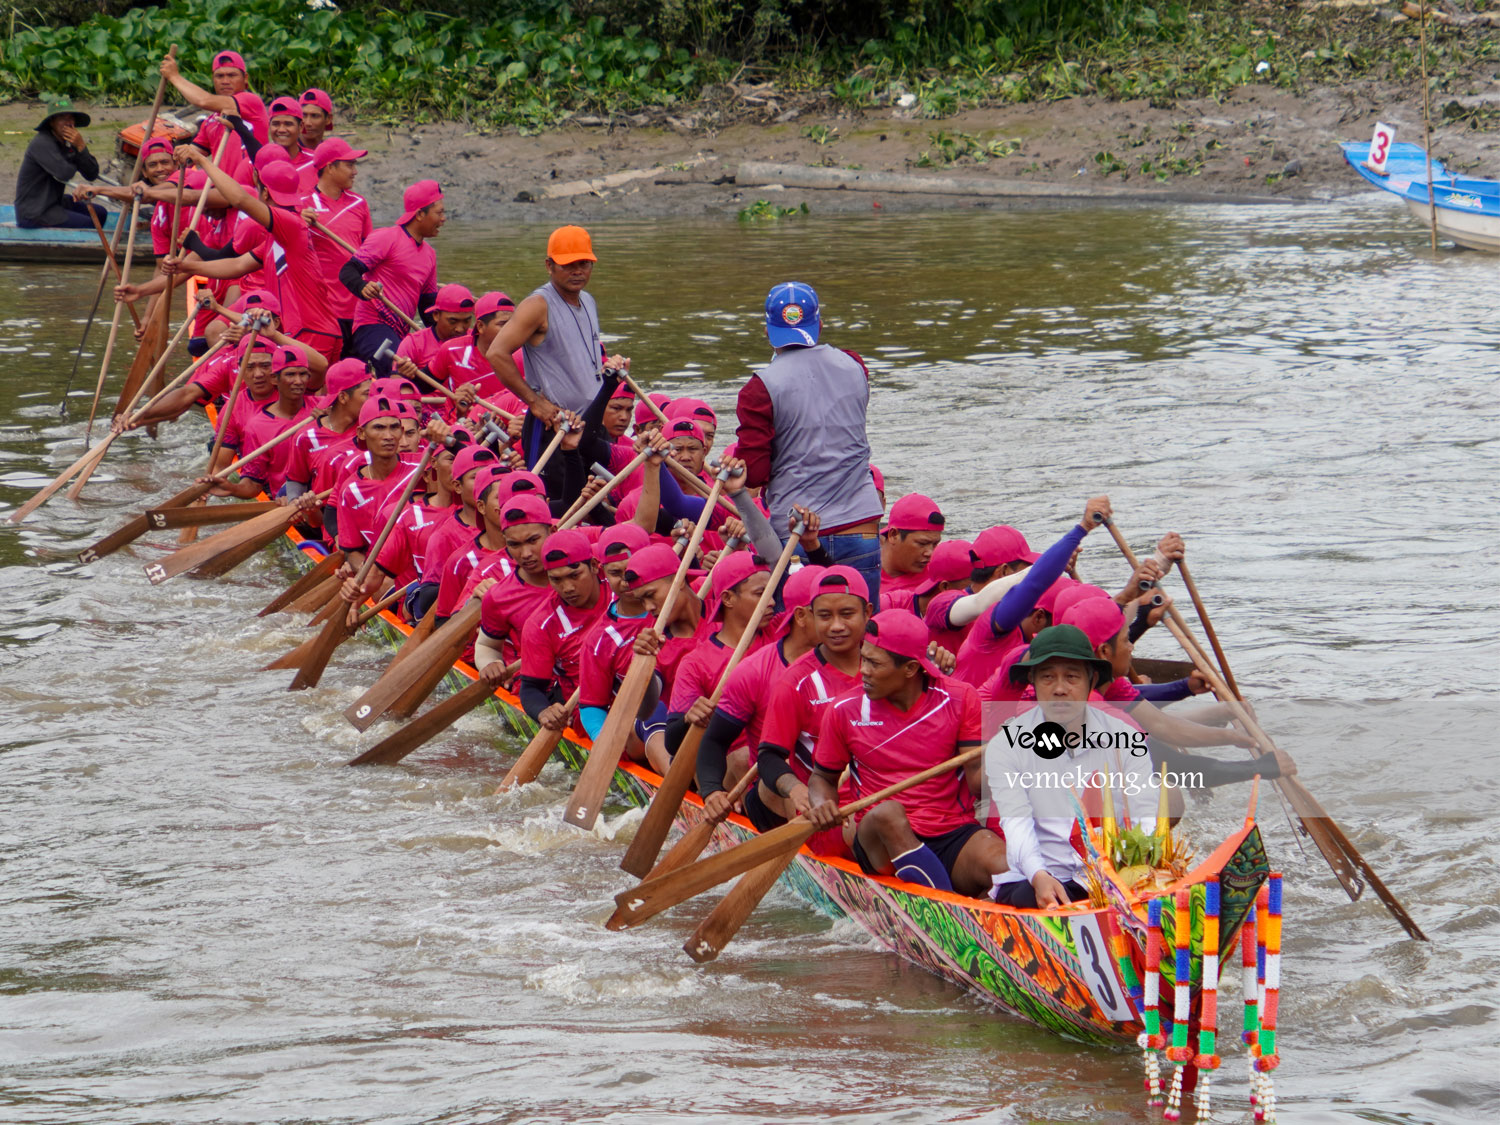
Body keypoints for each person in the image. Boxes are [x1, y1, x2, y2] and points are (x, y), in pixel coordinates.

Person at [805, 610, 1008, 897]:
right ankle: (950, 916)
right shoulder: (844, 710)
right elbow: (822, 778)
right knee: (889, 813)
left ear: (911, 669)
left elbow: (977, 782)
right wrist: (821, 802)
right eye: (864, 659)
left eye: (874, 663)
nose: (863, 670)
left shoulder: (961, 698)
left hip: (950, 831)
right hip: (881, 840)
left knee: (1005, 867)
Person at [985, 625, 1159, 908]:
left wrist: (1139, 867)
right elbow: (1016, 823)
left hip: (1113, 873)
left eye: (1072, 677)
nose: (1060, 689)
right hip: (1043, 875)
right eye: (1047, 677)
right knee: (1029, 897)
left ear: (1091, 681)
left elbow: (1145, 814)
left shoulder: (1125, 738)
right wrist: (1038, 875)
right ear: (1033, 681)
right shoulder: (1005, 745)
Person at [736, 281, 884, 600]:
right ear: (819, 323)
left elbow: (756, 473)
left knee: (803, 638)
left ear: (768, 330)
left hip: (796, 533)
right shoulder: (855, 365)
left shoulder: (758, 390)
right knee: (861, 636)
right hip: (860, 528)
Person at [168, 146, 343, 366]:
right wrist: (186, 268)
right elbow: (237, 265)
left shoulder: (289, 224)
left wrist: (202, 161)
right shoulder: (277, 237)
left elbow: (240, 199)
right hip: (313, 329)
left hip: (309, 331)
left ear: (266, 193)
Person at [485, 225, 629, 486]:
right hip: (554, 428)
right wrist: (536, 403)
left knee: (595, 503)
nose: (577, 271)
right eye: (568, 265)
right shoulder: (537, 306)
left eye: (584, 264)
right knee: (556, 506)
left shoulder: (588, 300)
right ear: (549, 265)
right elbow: (496, 353)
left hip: (590, 426)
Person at [507, 528, 612, 728]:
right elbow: (530, 688)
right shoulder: (541, 624)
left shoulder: (619, 586)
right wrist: (543, 711)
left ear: (594, 566)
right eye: (556, 579)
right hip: (588, 709)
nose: (568, 588)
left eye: (574, 575)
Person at [340, 180, 444, 374]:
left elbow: (427, 305)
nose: (444, 219)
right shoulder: (387, 237)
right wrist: (363, 287)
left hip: (400, 333)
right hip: (372, 327)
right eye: (439, 213)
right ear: (420, 214)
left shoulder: (429, 254)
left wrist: (444, 336)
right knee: (398, 371)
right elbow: (347, 271)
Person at [301, 137, 371, 352]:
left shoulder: (359, 203)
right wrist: (298, 224)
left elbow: (370, 252)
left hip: (359, 306)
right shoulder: (302, 205)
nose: (355, 171)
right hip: (323, 309)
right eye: (349, 165)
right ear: (330, 167)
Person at [160, 50, 268, 181]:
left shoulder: (250, 101)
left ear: (245, 78)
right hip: (223, 188)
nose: (225, 81)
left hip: (251, 188)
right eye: (219, 76)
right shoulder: (210, 121)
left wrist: (174, 77)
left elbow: (203, 101)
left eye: (232, 75)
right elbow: (190, 156)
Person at [15, 103, 101, 229]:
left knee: (100, 214)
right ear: (52, 122)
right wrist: (74, 158)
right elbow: (64, 173)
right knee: (88, 223)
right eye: (62, 118)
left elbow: (92, 173)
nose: (68, 123)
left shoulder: (69, 143)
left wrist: (81, 146)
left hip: (54, 202)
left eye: (70, 118)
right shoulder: (41, 143)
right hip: (35, 211)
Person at [880, 493, 945, 596]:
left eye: (935, 544)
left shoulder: (940, 578)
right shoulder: (860, 572)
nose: (930, 553)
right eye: (922, 543)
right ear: (893, 535)